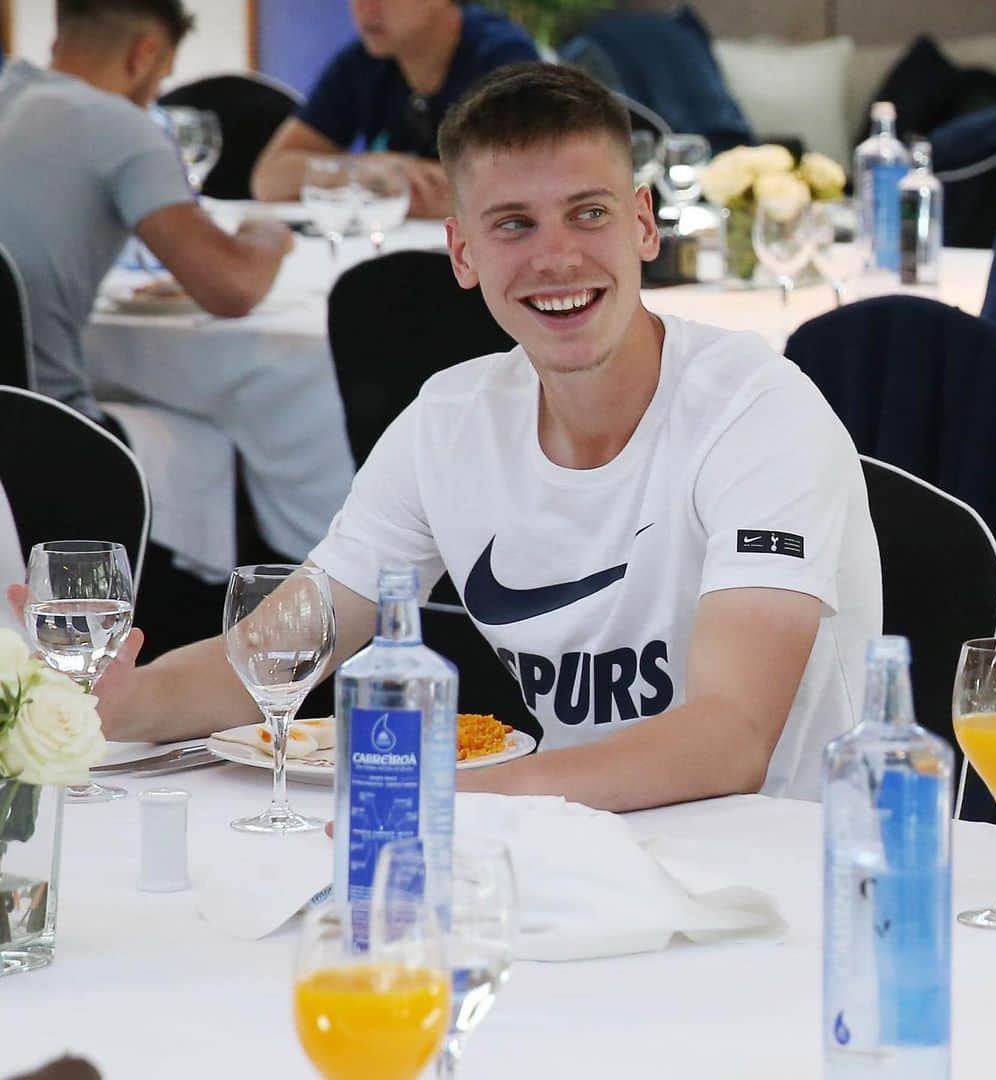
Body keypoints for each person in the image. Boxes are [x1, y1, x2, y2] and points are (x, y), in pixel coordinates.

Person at [19, 63, 884, 813]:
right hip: (567, 842)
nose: (556, 258)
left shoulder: (757, 411)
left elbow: (732, 741)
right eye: (514, 225)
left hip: (783, 868)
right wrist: (95, 702)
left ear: (644, 224)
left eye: (588, 214)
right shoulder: (451, 420)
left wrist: (446, 800)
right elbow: (278, 651)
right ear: (462, 253)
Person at [0, 0, 293, 426]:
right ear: (143, 53)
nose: (154, 96)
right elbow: (232, 287)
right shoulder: (118, 125)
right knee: (222, 435)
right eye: (161, 78)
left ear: (59, 37)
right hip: (42, 431)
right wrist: (267, 233)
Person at [250, 0, 537, 216]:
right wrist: (364, 170)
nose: (365, 7)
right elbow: (269, 178)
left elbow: (526, 186)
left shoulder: (503, 61)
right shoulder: (363, 63)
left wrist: (389, 187)